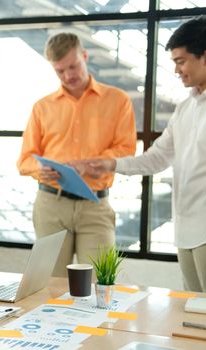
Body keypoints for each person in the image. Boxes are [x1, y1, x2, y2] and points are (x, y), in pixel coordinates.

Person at [78, 16, 206, 292]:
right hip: (186, 231)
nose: (177, 70)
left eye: (181, 61)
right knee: (193, 314)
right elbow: (156, 158)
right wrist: (109, 164)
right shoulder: (185, 109)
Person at [16, 32, 137, 277]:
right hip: (51, 205)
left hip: (95, 205)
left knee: (101, 282)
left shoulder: (118, 100)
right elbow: (25, 160)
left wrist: (93, 163)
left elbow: (127, 150)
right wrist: (39, 169)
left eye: (73, 66)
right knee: (50, 284)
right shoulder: (42, 107)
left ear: (84, 56)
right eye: (60, 71)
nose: (68, 76)